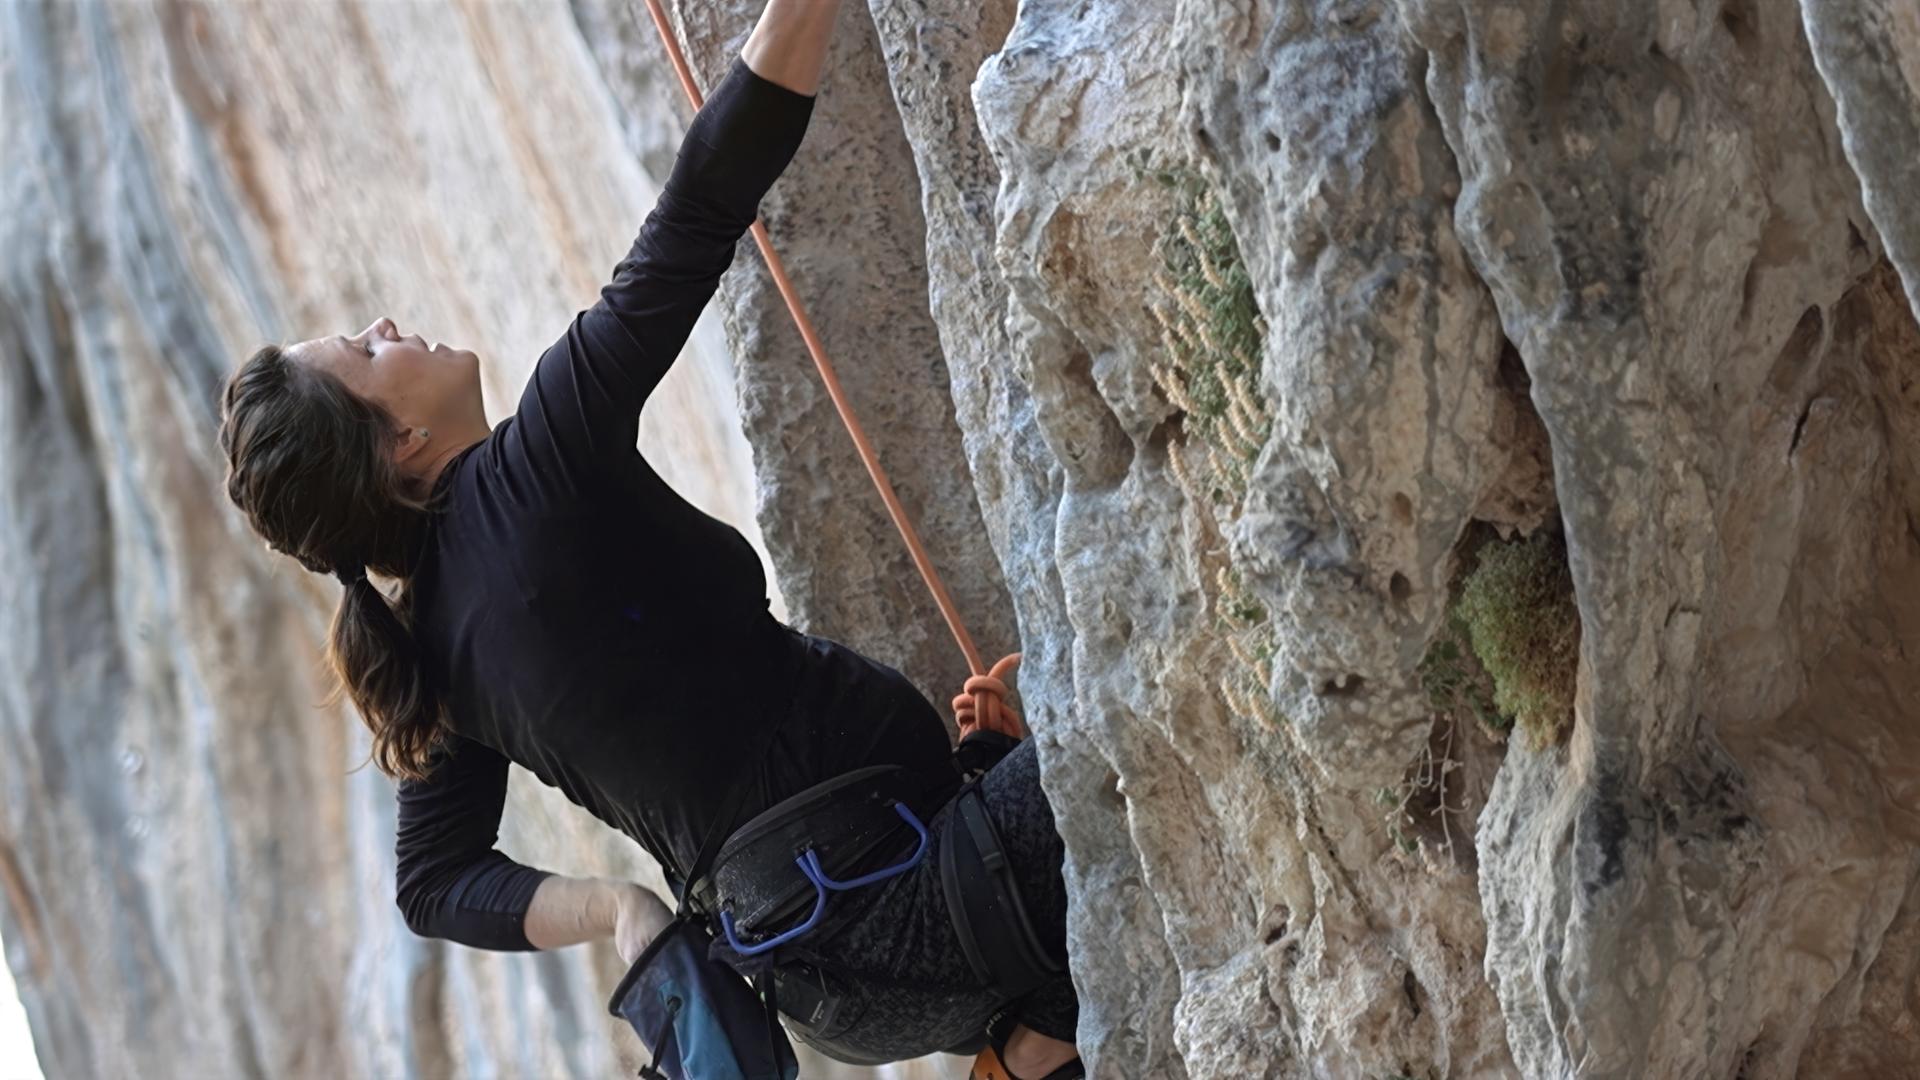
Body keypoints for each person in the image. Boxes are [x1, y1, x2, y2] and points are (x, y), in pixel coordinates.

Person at [216, 1, 1082, 1076]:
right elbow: (699, 212)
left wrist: (624, 912)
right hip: (922, 902)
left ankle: (1028, 1038)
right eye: (363, 348)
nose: (387, 327)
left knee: (1059, 780)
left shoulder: (430, 648)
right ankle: (1034, 1040)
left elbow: (432, 881)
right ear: (396, 443)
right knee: (1122, 728)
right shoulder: (539, 462)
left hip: (846, 975)